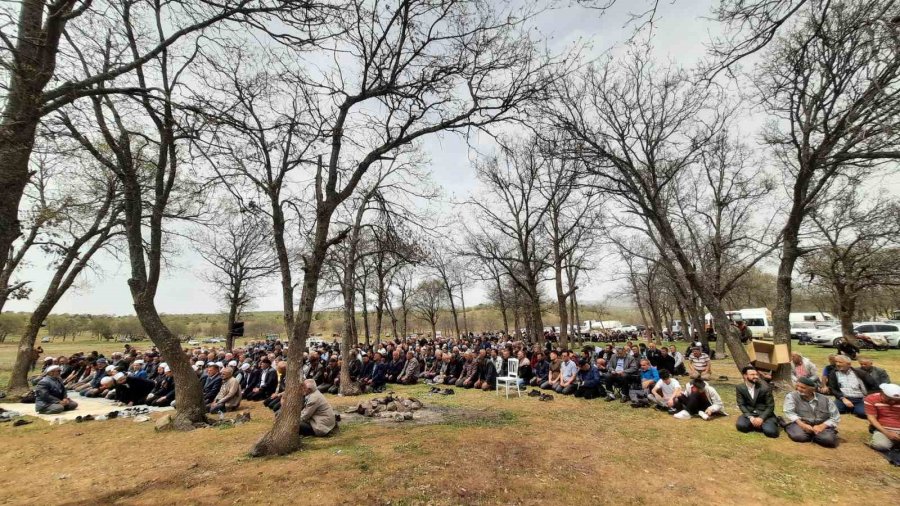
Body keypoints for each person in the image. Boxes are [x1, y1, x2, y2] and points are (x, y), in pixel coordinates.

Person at [783, 377, 840, 448]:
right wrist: (802, 425)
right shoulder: (791, 396)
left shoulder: (826, 400)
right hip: (801, 423)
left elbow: (835, 417)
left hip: (821, 425)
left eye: (803, 387)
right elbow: (789, 412)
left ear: (812, 389)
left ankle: (817, 435)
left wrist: (821, 426)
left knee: (829, 440)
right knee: (799, 436)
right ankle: (815, 435)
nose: (799, 389)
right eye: (797, 386)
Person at [827, 355, 878, 419]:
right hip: (843, 399)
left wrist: (867, 398)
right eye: (836, 362)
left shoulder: (860, 373)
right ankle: (849, 408)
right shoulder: (833, 373)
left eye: (840, 362)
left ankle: (853, 409)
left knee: (864, 413)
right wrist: (843, 399)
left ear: (849, 364)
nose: (837, 364)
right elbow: (833, 388)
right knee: (829, 411)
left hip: (860, 400)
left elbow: (874, 386)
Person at [735, 366, 779, 438]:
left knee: (771, 432)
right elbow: (741, 404)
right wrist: (751, 417)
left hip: (764, 415)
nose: (756, 376)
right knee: (741, 426)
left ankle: (774, 421)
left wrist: (761, 418)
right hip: (750, 414)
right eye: (752, 375)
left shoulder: (765, 388)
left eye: (756, 374)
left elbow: (770, 406)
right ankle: (757, 425)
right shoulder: (740, 387)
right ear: (745, 376)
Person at [864, 383, 900, 458]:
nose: (893, 402)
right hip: (883, 430)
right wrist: (887, 433)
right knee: (880, 445)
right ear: (882, 393)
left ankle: (895, 443)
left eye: (896, 400)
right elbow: (871, 418)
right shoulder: (871, 399)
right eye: (889, 399)